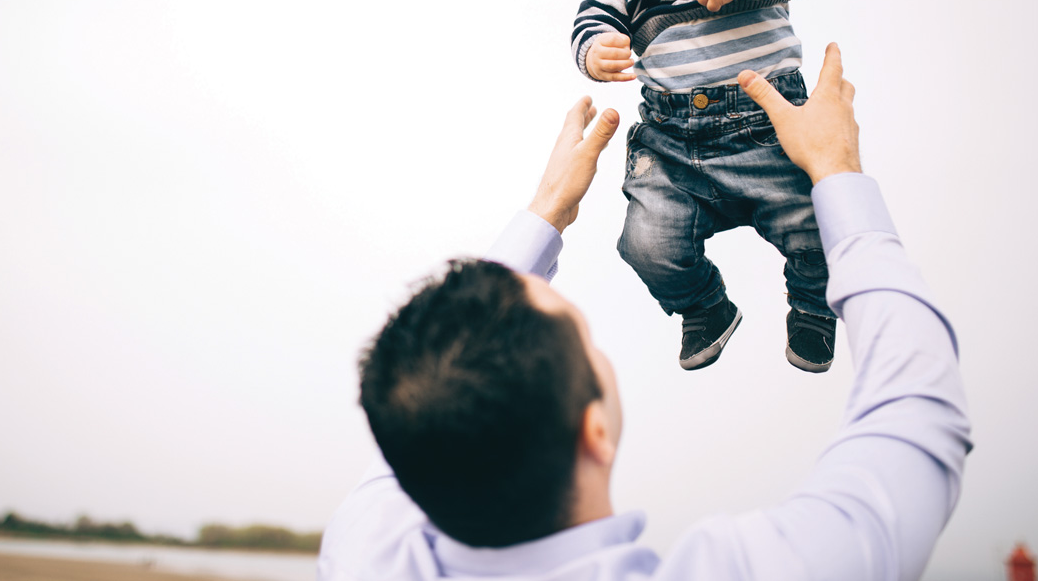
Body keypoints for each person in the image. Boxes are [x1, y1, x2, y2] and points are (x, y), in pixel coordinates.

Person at [318, 44, 972, 580]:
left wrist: (549, 208)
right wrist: (837, 168)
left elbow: (430, 402)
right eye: (585, 339)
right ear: (593, 429)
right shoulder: (745, 569)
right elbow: (917, 407)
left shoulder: (368, 551)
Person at [570, 0, 833, 371]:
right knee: (645, 245)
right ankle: (704, 307)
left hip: (771, 126)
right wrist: (596, 50)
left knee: (823, 226)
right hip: (672, 140)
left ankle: (815, 307)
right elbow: (592, 16)